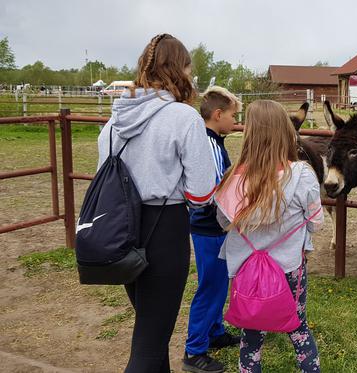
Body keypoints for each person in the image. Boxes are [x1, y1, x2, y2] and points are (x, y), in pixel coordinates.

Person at [97, 34, 217, 372]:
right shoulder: (184, 118)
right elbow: (201, 193)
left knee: (153, 331)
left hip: (119, 228)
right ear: (178, 70)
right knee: (149, 344)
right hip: (163, 230)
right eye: (189, 70)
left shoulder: (113, 122)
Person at [215, 100, 324, 373]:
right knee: (298, 328)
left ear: (250, 133)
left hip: (245, 272)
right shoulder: (301, 176)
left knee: (250, 336)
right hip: (288, 268)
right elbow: (317, 222)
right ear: (284, 132)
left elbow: (223, 220)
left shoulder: (232, 179)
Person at [182, 86, 243, 373]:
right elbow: (215, 187)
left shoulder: (215, 141)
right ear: (218, 115)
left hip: (213, 225)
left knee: (218, 284)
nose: (236, 121)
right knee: (210, 287)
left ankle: (215, 332)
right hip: (209, 227)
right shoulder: (208, 146)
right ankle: (194, 351)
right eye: (233, 115)